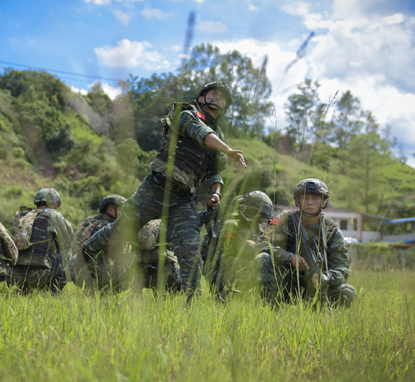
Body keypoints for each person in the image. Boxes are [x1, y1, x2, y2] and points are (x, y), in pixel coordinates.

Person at [84, 81, 247, 297]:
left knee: (190, 249)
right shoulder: (187, 113)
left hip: (183, 199)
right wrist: (228, 150)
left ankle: (192, 306)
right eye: (213, 93)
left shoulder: (218, 137)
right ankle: (84, 253)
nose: (218, 98)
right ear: (201, 98)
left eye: (223, 97)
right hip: (156, 188)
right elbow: (200, 132)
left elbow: (214, 172)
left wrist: (216, 193)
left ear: (225, 108)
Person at [258, 179, 355, 307]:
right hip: (288, 281)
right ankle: (272, 308)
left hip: (318, 284)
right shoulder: (285, 220)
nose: (310, 202)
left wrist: (327, 278)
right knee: (263, 259)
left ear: (324, 202)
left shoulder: (332, 231)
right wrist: (289, 257)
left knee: (347, 291)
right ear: (298, 201)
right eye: (305, 198)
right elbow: (262, 244)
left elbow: (342, 269)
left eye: (315, 198)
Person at [207, 191, 273, 301]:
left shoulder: (256, 227)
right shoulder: (232, 225)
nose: (261, 219)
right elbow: (248, 252)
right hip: (226, 276)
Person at [10, 188, 73, 293]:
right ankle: (54, 291)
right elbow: (67, 242)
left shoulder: (23, 216)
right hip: (39, 275)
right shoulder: (54, 215)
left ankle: (23, 290)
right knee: (67, 252)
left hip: (15, 275)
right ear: (54, 204)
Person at [67, 194, 127, 290]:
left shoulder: (88, 223)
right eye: (121, 210)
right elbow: (119, 257)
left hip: (75, 271)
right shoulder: (109, 228)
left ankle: (92, 292)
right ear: (110, 210)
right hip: (94, 274)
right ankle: (104, 295)